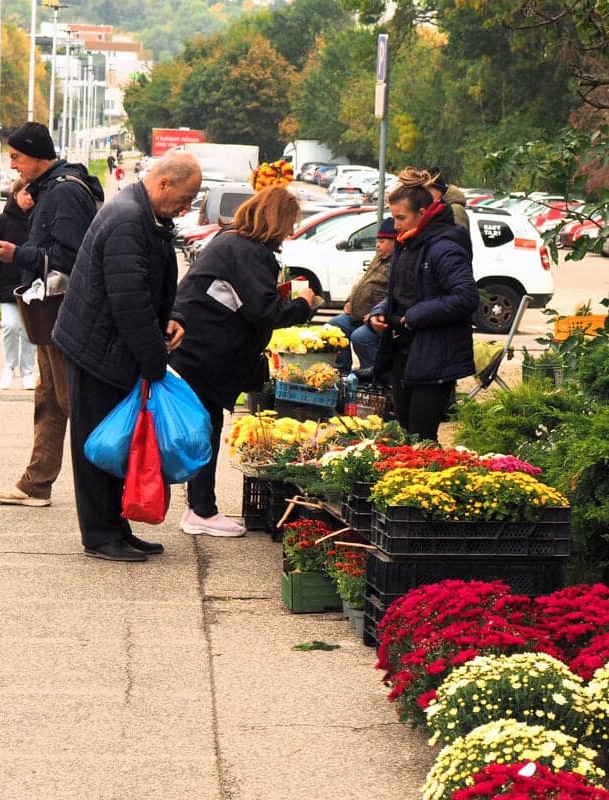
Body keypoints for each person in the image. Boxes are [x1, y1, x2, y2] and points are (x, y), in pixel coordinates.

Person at [51, 150, 202, 562]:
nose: (187, 208)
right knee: (98, 444)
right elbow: (129, 302)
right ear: (164, 183)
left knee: (119, 442)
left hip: (111, 348)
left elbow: (150, 285)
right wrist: (155, 362)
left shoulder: (147, 214)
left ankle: (117, 526)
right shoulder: (127, 220)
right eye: (186, 198)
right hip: (96, 351)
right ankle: (99, 535)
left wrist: (172, 316)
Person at [169, 186, 324, 537]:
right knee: (205, 430)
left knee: (202, 428)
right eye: (289, 224)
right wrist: (304, 304)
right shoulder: (250, 252)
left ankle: (200, 508)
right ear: (275, 220)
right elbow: (263, 311)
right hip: (207, 354)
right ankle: (202, 512)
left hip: (196, 349)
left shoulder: (230, 242)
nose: (290, 232)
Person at [0, 122, 104, 508]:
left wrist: (17, 255)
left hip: (61, 312)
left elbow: (71, 259)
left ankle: (105, 492)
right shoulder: (51, 188)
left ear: (37, 155)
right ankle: (36, 484)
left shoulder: (65, 192)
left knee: (73, 402)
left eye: (17, 156)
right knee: (50, 400)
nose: (13, 164)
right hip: (48, 312)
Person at [368, 170, 478, 441]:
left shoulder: (445, 246)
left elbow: (466, 297)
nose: (395, 225)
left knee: (422, 437)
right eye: (394, 217)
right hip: (404, 351)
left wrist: (415, 315)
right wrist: (381, 310)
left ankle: (430, 480)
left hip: (435, 354)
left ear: (423, 212)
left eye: (400, 218)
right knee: (407, 433)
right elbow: (402, 292)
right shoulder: (407, 245)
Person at [0, 178, 37, 391]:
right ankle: (9, 367)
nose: (30, 198)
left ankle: (28, 372)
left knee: (29, 331)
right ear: (15, 194)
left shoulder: (40, 221)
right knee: (10, 326)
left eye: (33, 194)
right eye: (26, 194)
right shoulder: (2, 222)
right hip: (6, 285)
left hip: (32, 286)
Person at [328, 216, 394, 376]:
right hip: (356, 316)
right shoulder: (379, 258)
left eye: (383, 241)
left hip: (376, 320)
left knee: (360, 337)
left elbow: (392, 295)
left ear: (396, 242)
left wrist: (375, 314)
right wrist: (350, 300)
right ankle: (342, 373)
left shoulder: (397, 262)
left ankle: (374, 376)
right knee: (334, 327)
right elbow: (363, 281)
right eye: (378, 240)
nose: (377, 245)